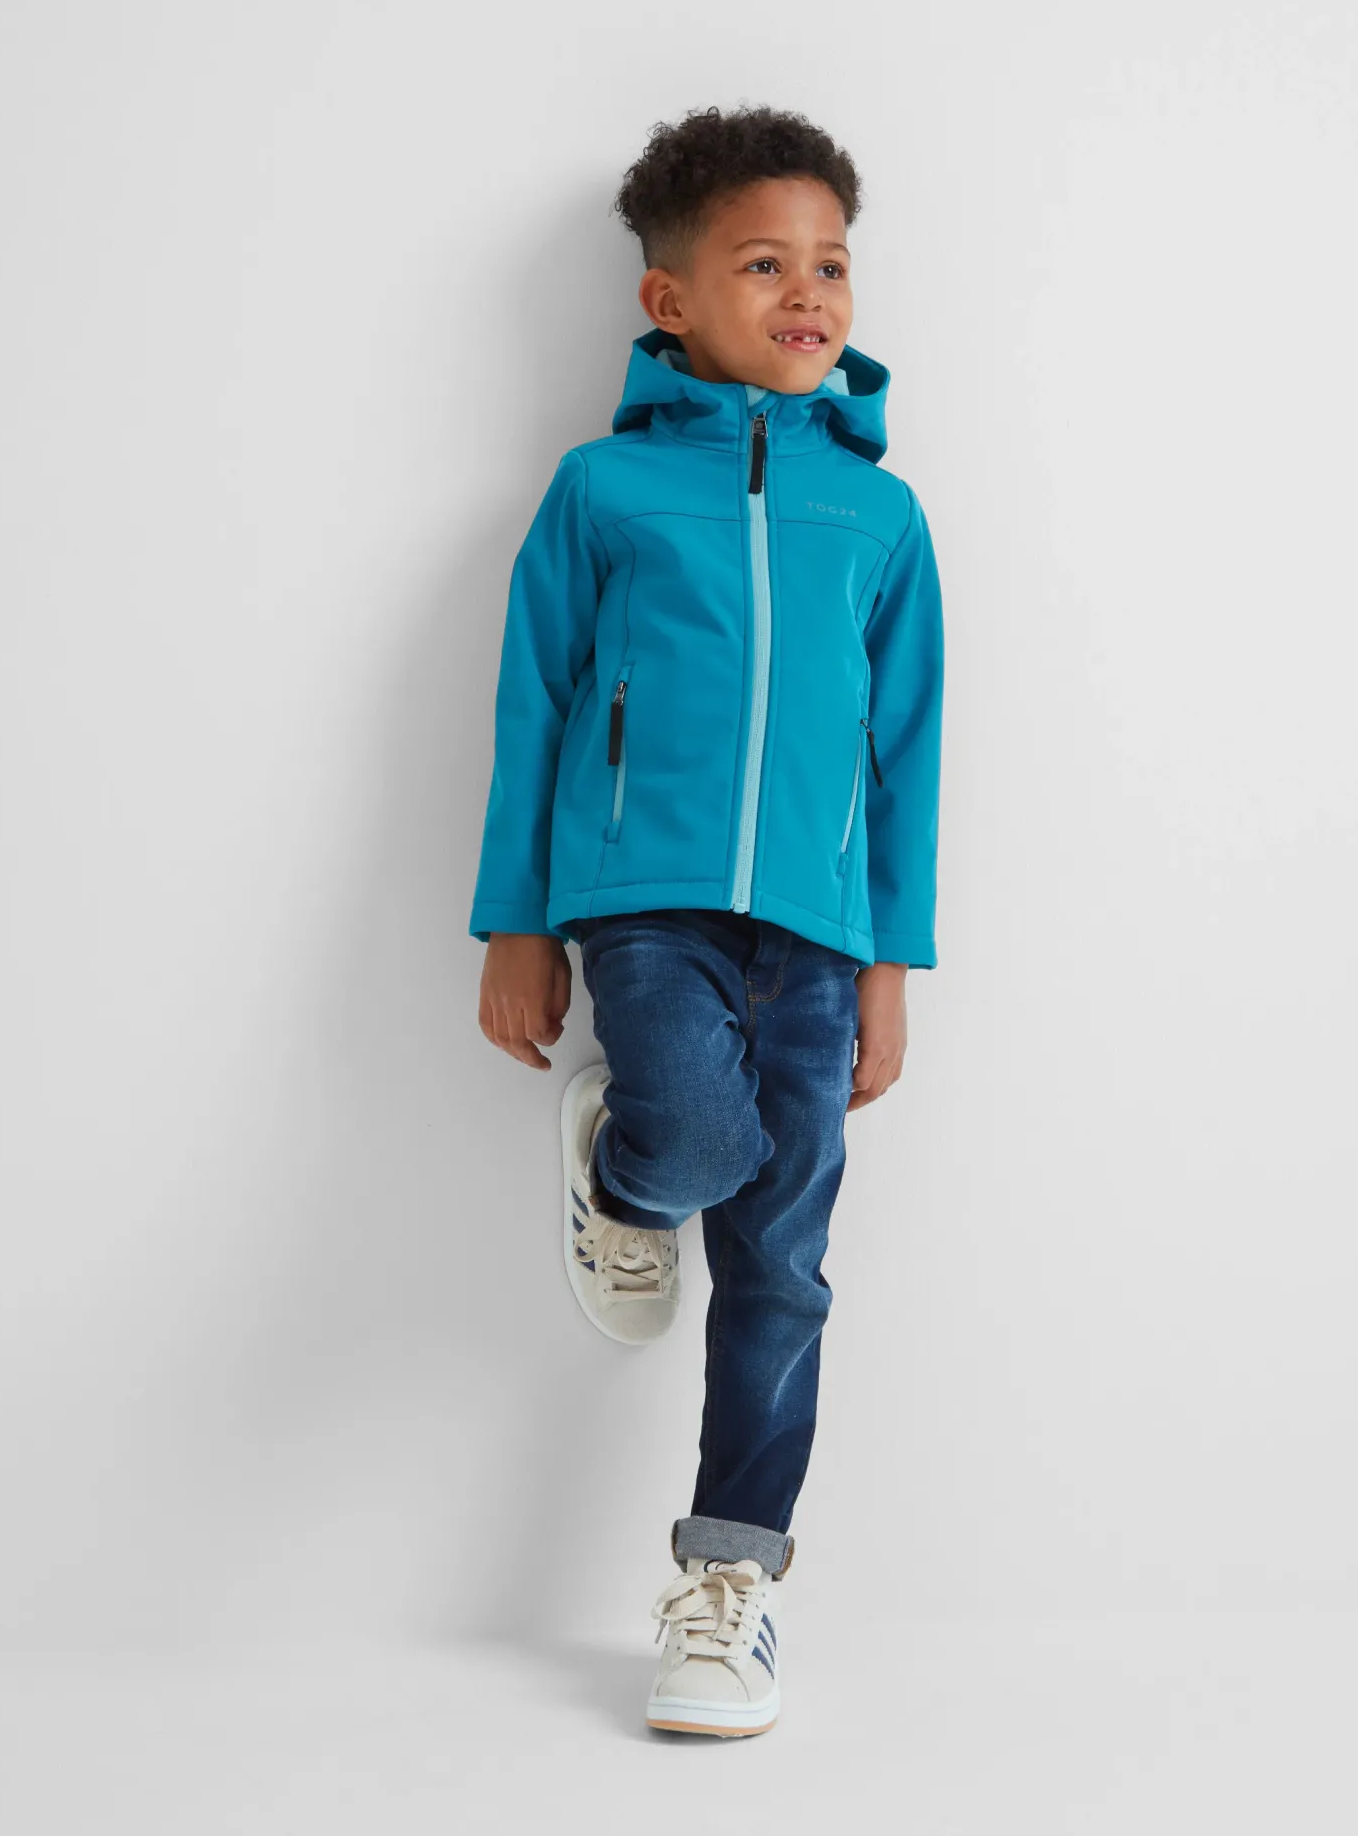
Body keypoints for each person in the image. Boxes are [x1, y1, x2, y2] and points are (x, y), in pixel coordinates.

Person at [467, 103, 944, 1737]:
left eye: (831, 265)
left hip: (818, 930)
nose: (809, 293)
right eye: (764, 265)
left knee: (784, 1271)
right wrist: (515, 922)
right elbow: (534, 706)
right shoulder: (601, 490)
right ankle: (625, 1175)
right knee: (694, 1133)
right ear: (669, 300)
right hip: (645, 906)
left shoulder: (882, 517)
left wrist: (891, 963)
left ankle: (729, 1586)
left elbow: (907, 754)